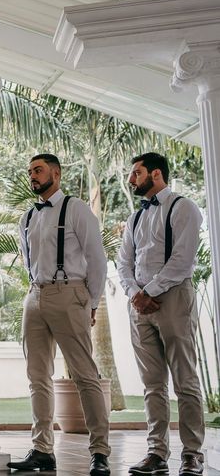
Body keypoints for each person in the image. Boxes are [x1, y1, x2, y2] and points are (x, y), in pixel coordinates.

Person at [7, 154, 111, 476]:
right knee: (37, 377)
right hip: (35, 296)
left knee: (84, 374)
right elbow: (28, 259)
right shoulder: (27, 217)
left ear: (56, 172)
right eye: (29, 172)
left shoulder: (76, 208)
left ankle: (100, 452)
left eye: (37, 170)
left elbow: (97, 258)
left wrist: (90, 302)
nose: (32, 176)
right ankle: (42, 450)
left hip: (70, 293)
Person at [117, 152, 206, 476]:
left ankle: (192, 454)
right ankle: (156, 453)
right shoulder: (135, 218)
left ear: (156, 174)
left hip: (173, 299)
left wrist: (149, 292)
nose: (131, 179)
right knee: (152, 384)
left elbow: (182, 260)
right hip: (139, 305)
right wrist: (134, 294)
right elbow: (123, 261)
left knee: (185, 379)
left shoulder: (184, 207)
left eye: (136, 173)